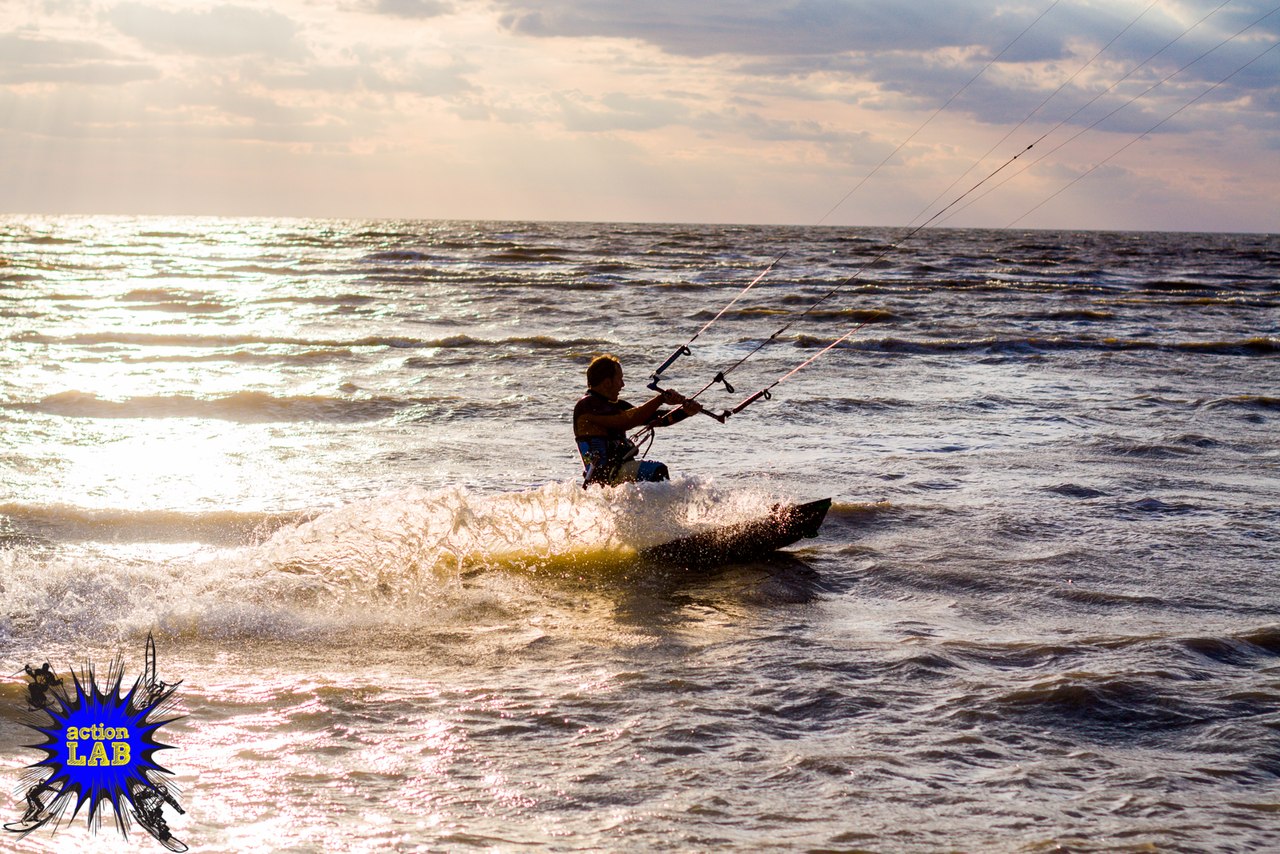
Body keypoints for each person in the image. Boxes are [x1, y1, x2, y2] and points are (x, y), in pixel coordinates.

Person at [573, 354, 702, 486]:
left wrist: (685, 412)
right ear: (607, 382)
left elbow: (652, 418)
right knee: (656, 470)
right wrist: (660, 399)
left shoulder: (614, 405)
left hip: (620, 469)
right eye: (620, 379)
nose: (622, 385)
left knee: (654, 473)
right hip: (605, 475)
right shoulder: (587, 405)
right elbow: (627, 420)